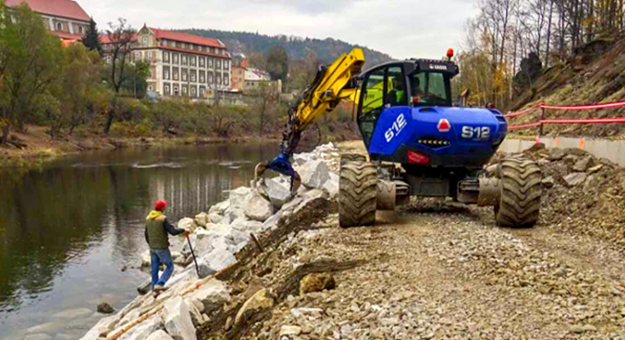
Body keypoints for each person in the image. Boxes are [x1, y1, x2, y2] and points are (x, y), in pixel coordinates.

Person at [145, 200, 187, 292]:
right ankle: (160, 284)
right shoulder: (162, 218)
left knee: (154, 269)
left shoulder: (148, 218)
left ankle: (154, 289)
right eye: (164, 207)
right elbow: (172, 232)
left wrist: (151, 244)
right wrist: (182, 230)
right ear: (162, 208)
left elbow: (146, 235)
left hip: (152, 247)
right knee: (169, 266)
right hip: (162, 247)